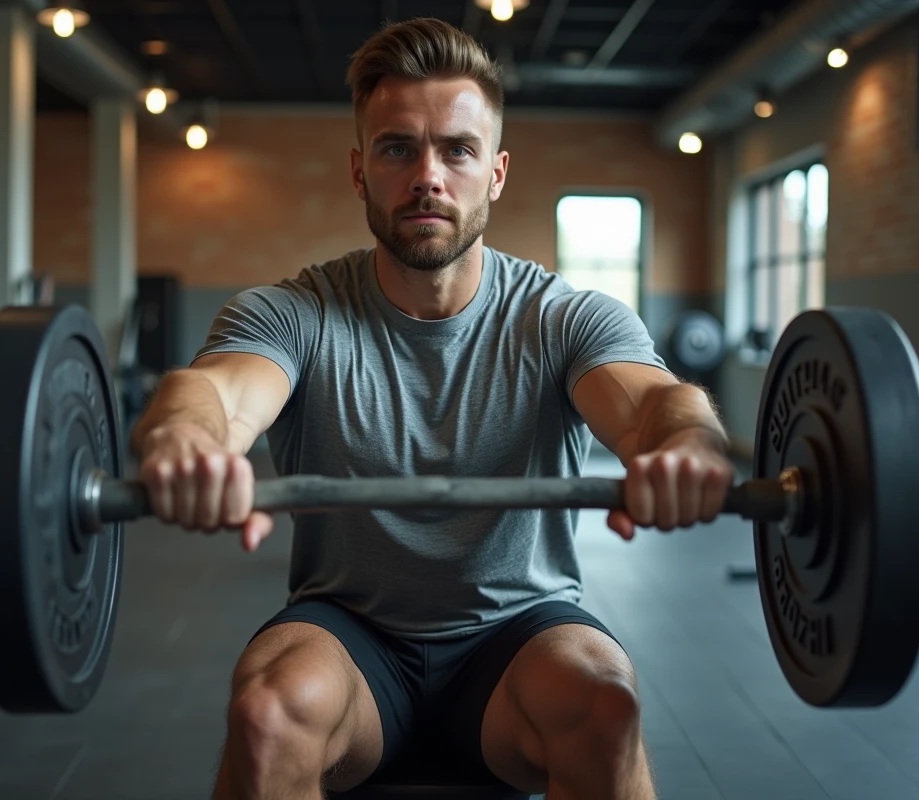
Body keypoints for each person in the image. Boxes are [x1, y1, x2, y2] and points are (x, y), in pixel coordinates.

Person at [131, 17, 734, 800]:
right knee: (267, 711)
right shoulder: (295, 312)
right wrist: (187, 439)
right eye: (397, 148)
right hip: (349, 634)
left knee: (603, 702)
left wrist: (687, 444)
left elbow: (656, 406)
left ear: (497, 171)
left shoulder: (564, 317)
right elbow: (213, 393)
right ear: (359, 171)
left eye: (456, 149)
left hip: (520, 634)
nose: (428, 176)